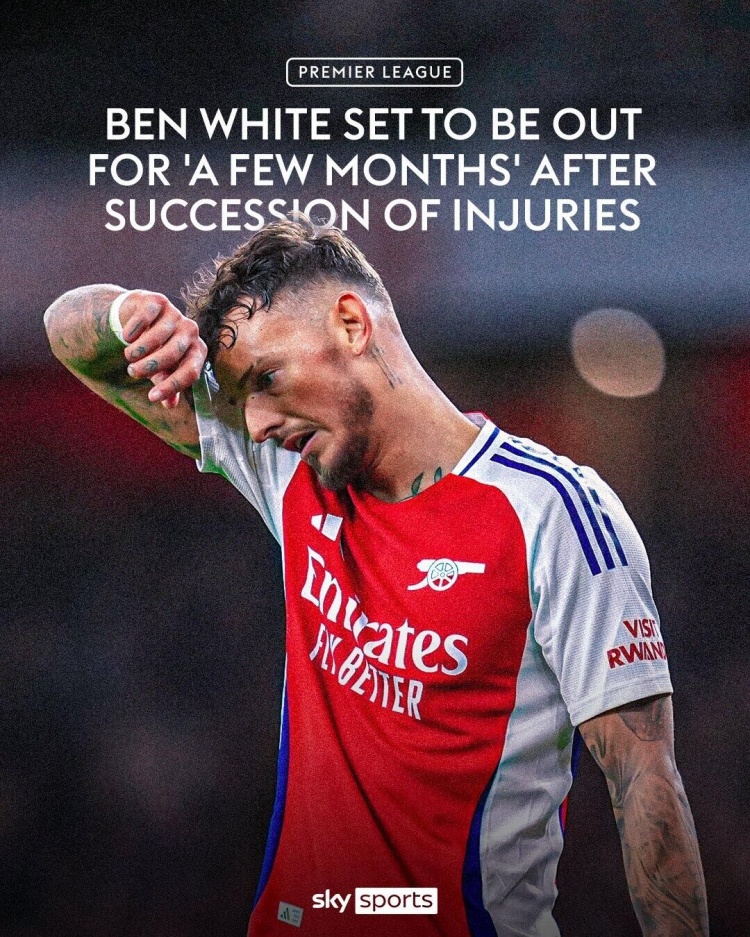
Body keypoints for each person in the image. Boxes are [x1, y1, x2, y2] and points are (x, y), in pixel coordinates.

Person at [44, 217, 708, 937]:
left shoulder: (552, 512)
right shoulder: (290, 470)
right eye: (243, 400)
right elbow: (69, 335)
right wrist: (127, 315)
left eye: (267, 379)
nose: (257, 423)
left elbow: (645, 780)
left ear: (352, 324)